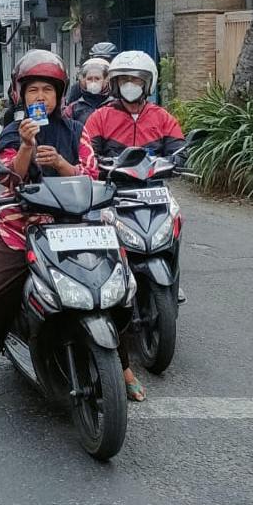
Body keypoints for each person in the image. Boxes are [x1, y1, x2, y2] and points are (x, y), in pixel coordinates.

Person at [0, 50, 97, 401]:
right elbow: (10, 178)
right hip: (21, 226)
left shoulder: (76, 131)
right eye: (33, 90)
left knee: (113, 278)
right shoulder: (11, 133)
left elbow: (91, 178)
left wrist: (63, 164)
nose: (41, 97)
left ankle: (121, 364)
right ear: (21, 95)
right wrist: (28, 146)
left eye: (48, 90)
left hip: (70, 223)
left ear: (59, 95)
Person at [81, 49, 185, 401]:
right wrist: (98, 166)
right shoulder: (100, 118)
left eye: (136, 81)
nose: (130, 86)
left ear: (147, 84)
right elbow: (88, 152)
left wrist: (178, 159)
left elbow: (179, 147)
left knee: (177, 221)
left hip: (154, 192)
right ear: (114, 84)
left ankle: (173, 277)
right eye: (124, 80)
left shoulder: (161, 116)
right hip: (117, 194)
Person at [81, 51, 185, 160]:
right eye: (124, 79)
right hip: (111, 176)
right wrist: (108, 163)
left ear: (148, 82)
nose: (129, 84)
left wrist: (157, 163)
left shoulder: (163, 118)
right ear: (116, 83)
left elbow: (180, 155)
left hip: (155, 177)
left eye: (135, 79)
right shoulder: (100, 118)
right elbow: (88, 157)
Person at [63, 57, 111, 126]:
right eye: (89, 79)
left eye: (97, 78)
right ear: (84, 81)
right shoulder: (73, 108)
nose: (93, 82)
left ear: (105, 80)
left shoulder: (114, 105)